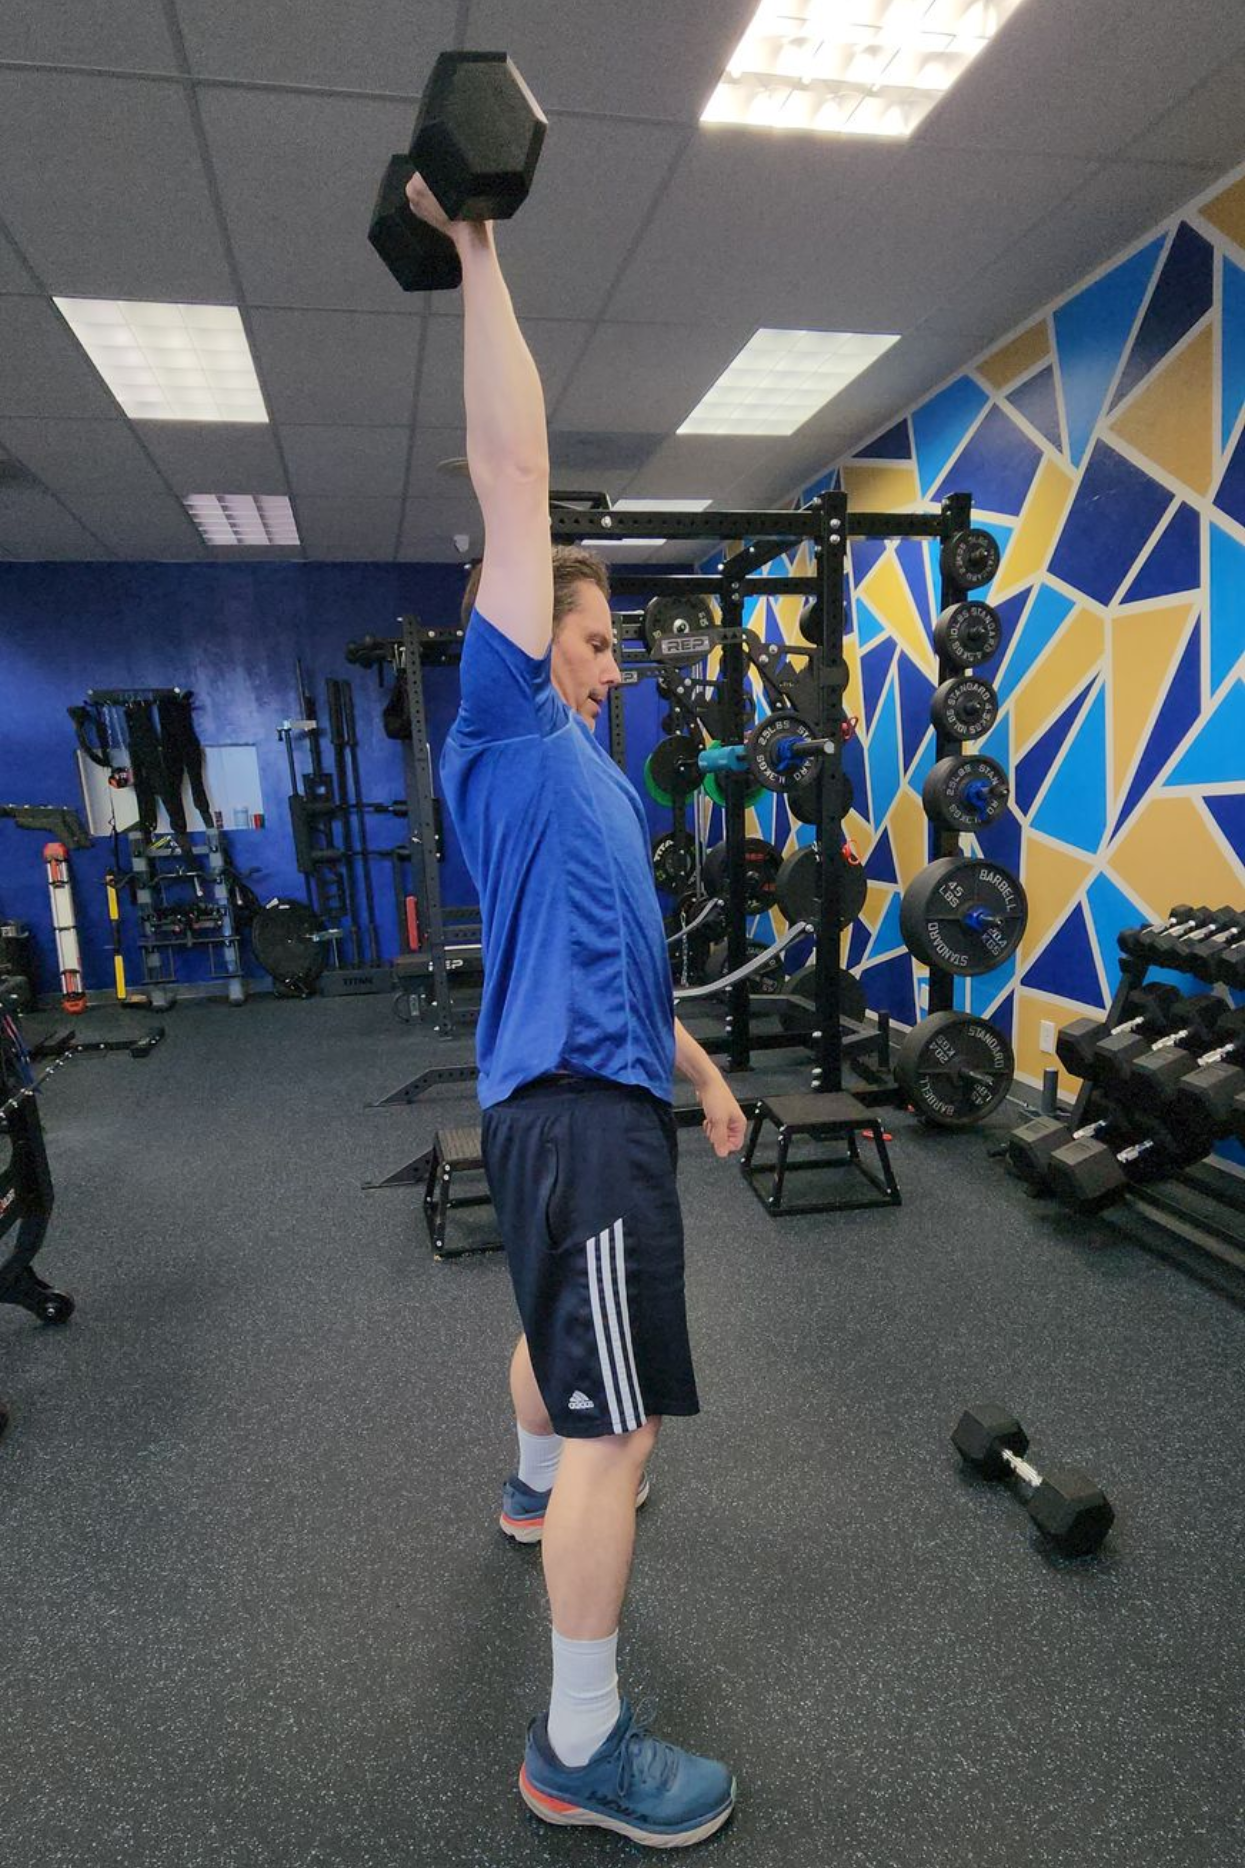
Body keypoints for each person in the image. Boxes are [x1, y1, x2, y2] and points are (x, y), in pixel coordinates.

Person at [410, 172, 747, 1849]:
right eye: (595, 635)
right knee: (632, 1430)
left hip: (598, 1098)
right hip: (572, 1122)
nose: (613, 665)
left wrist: (703, 1073)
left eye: (613, 645)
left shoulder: (603, 790)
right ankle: (581, 1752)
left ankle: (530, 1492)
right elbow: (514, 470)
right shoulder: (510, 728)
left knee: (564, 1372)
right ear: (528, 632)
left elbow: (633, 963)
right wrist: (480, 252)